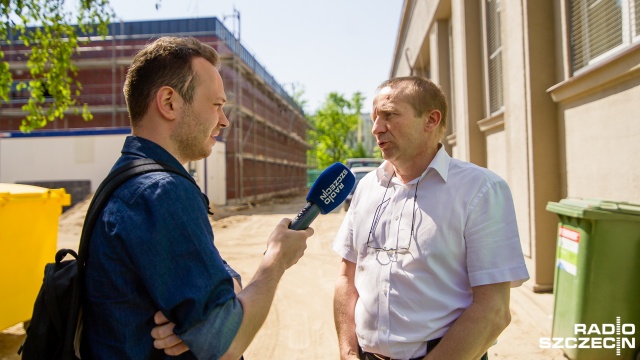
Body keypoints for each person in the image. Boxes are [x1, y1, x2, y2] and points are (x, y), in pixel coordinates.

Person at [81, 36, 313, 359]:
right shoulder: (161, 193)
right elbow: (228, 343)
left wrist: (201, 322)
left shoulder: (125, 180)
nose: (224, 120)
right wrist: (275, 260)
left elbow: (214, 281)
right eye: (216, 105)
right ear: (169, 102)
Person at [332, 76, 529, 360]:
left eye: (389, 115)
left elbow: (494, 311)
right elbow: (345, 278)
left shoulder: (480, 189)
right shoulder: (366, 187)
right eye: (375, 118)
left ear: (431, 120)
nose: (376, 128)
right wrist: (348, 351)